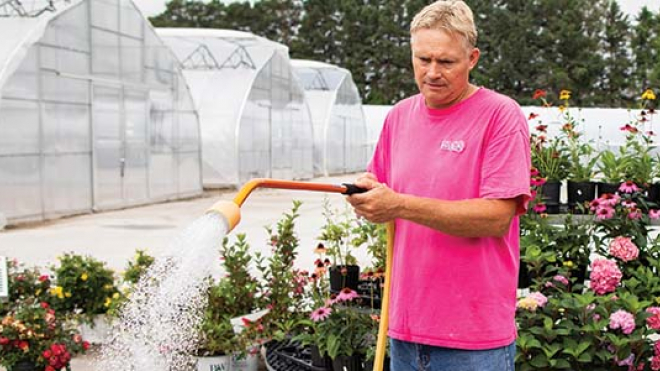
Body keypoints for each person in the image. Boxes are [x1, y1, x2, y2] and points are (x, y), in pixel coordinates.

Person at [346, 1, 531, 370]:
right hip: (405, 332)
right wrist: (367, 194)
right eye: (422, 59)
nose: (432, 72)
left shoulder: (499, 115)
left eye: (446, 62)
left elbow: (496, 217)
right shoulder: (400, 116)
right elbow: (381, 192)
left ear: (472, 58)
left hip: (474, 340)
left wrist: (399, 204)